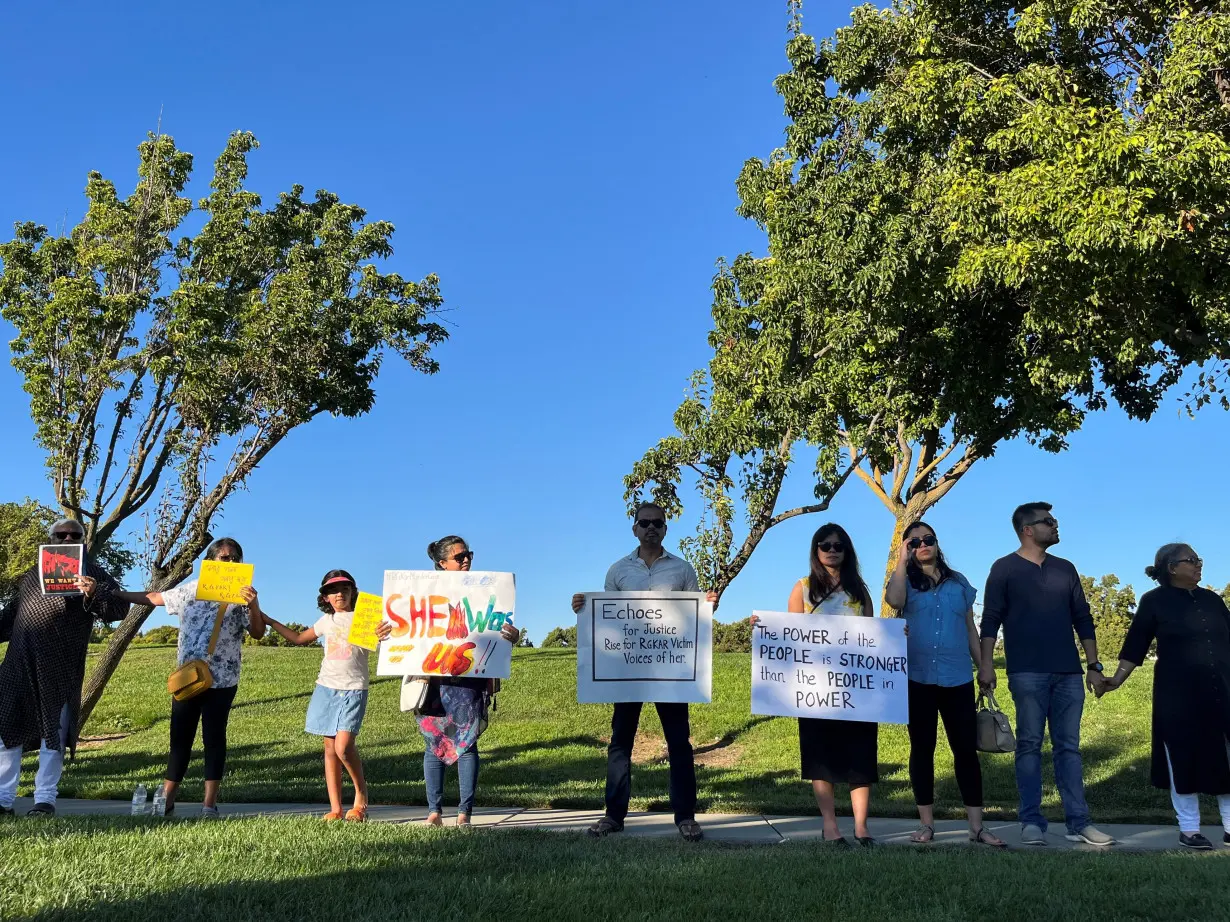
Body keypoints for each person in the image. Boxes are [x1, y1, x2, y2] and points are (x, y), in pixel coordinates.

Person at [570, 502, 719, 842]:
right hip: (627, 673)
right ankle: (613, 815)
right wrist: (583, 607)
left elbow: (694, 615)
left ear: (665, 529)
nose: (651, 528)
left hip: (671, 673)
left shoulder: (682, 568)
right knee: (621, 741)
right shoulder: (618, 570)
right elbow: (605, 616)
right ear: (634, 529)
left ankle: (686, 816)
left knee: (679, 742)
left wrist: (708, 604)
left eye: (658, 523)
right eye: (645, 523)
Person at [978, 502, 1114, 847]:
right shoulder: (1004, 568)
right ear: (1027, 529)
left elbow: (1082, 617)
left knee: (1069, 748)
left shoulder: (1065, 569)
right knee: (1029, 746)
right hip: (1026, 673)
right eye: (1048, 522)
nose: (1055, 526)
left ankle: (1079, 822)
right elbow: (990, 619)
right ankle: (1032, 822)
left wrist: (1094, 666)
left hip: (1069, 673)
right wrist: (986, 664)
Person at [114, 537, 265, 818]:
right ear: (210, 562)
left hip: (223, 679)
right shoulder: (191, 590)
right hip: (187, 678)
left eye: (235, 558)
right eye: (224, 557)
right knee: (180, 739)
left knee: (214, 739)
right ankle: (167, 800)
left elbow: (257, 632)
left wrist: (254, 604)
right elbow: (155, 598)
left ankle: (209, 804)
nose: (230, 562)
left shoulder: (242, 596)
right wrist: (117, 593)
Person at [885, 522, 1005, 847]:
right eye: (914, 542)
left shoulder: (959, 584)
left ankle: (977, 827)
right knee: (922, 751)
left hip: (958, 680)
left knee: (965, 752)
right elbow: (894, 602)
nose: (922, 545)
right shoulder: (905, 582)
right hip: (917, 679)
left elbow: (970, 629)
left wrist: (985, 667)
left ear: (937, 544)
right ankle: (926, 825)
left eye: (928, 539)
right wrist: (900, 560)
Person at [1103, 545, 1230, 849]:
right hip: (1178, 696)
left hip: (1222, 691)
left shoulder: (1212, 600)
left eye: (1199, 560)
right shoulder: (1154, 602)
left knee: (1227, 757)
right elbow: (1135, 646)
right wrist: (1116, 680)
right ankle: (1189, 830)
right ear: (1172, 568)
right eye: (1192, 560)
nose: (1199, 565)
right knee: (1181, 757)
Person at [0, 519, 127, 817]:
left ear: (83, 540)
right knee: (7, 731)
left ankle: (45, 800)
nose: (68, 537)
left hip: (60, 668)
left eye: (74, 534)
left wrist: (95, 592)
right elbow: (11, 617)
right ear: (51, 538)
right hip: (19, 664)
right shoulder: (33, 575)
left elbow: (119, 610)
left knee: (53, 735)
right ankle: (3, 799)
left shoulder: (93, 573)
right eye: (61, 534)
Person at [418, 536, 519, 827]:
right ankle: (434, 811)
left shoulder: (488, 592)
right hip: (433, 679)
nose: (465, 560)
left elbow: (497, 631)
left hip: (470, 679)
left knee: (467, 743)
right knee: (433, 744)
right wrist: (390, 631)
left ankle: (464, 813)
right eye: (459, 556)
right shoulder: (422, 592)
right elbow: (409, 629)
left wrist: (512, 637)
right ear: (441, 563)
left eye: (468, 555)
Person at [261, 569, 376, 822]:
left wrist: (385, 632)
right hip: (326, 688)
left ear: (353, 592)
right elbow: (300, 638)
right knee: (329, 748)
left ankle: (361, 794)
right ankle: (335, 808)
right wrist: (270, 622)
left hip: (354, 688)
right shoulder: (326, 621)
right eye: (333, 591)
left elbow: (383, 642)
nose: (339, 594)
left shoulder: (364, 617)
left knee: (344, 746)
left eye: (345, 589)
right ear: (324, 597)